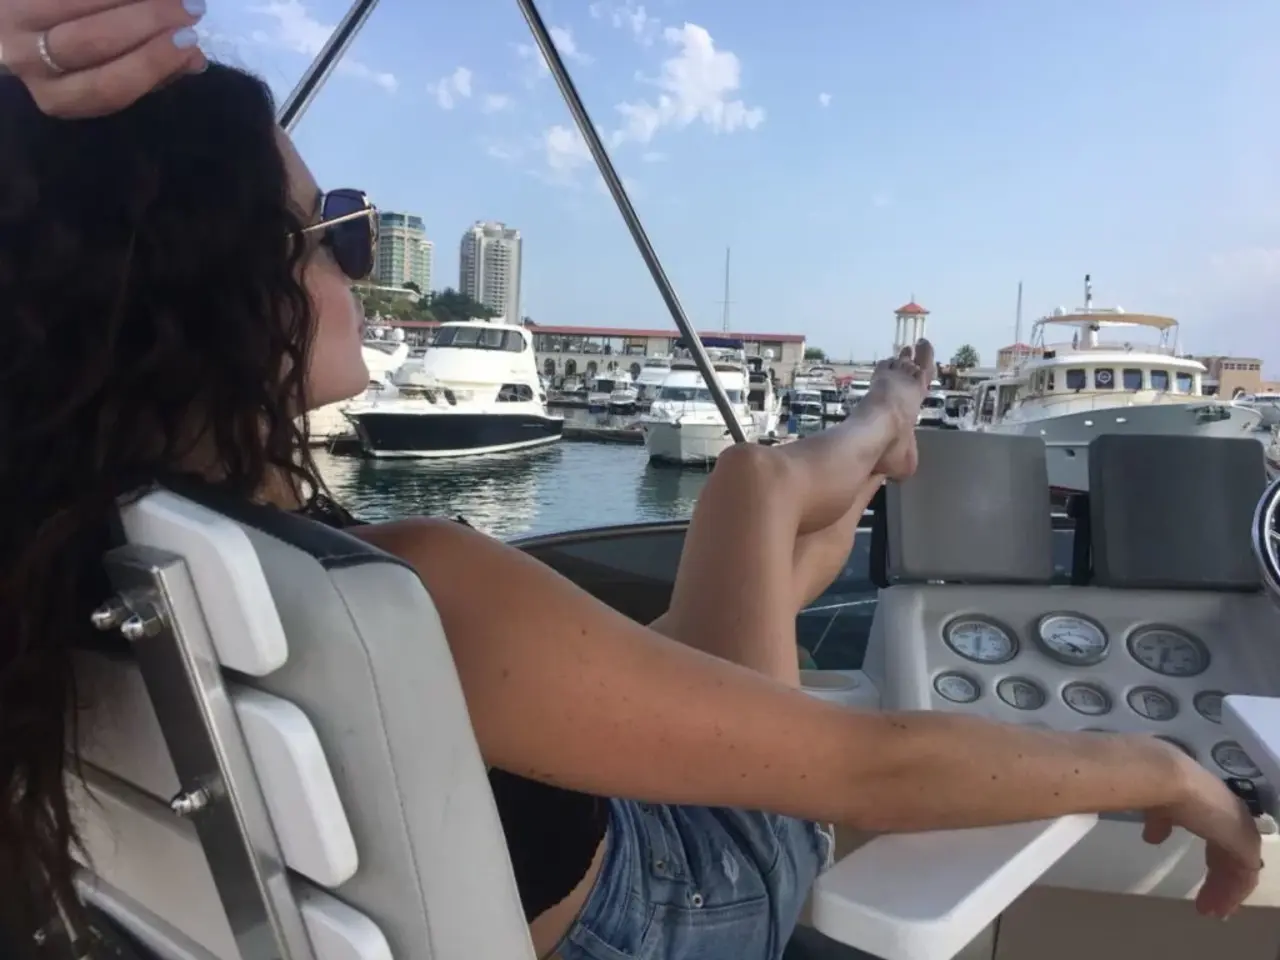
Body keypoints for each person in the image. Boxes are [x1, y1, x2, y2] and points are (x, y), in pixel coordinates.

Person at [0, 23, 1263, 960]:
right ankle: (885, 422)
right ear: (239, 294)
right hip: (692, 896)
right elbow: (869, 770)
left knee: (774, 544)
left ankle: (869, 446)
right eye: (331, 236)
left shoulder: (90, 558)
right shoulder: (414, 584)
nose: (357, 267)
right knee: (750, 485)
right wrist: (1159, 768)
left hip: (531, 881)